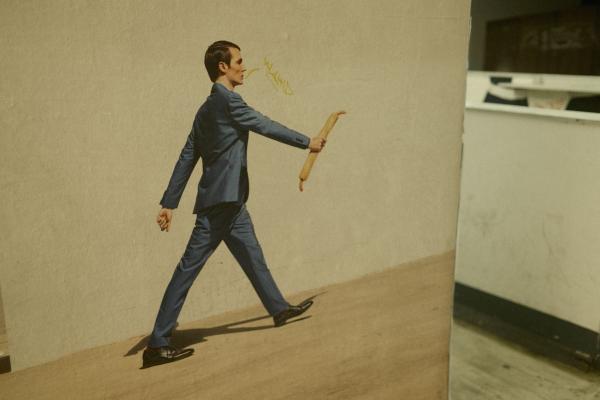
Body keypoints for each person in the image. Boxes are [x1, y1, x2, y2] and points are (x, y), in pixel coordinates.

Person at [142, 40, 326, 368]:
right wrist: (307, 142)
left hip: (230, 200)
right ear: (223, 67)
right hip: (221, 203)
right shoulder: (229, 102)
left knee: (252, 255)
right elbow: (264, 124)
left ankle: (279, 309)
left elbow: (187, 155)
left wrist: (169, 203)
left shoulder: (204, 110)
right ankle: (157, 344)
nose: (244, 67)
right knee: (187, 269)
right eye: (239, 61)